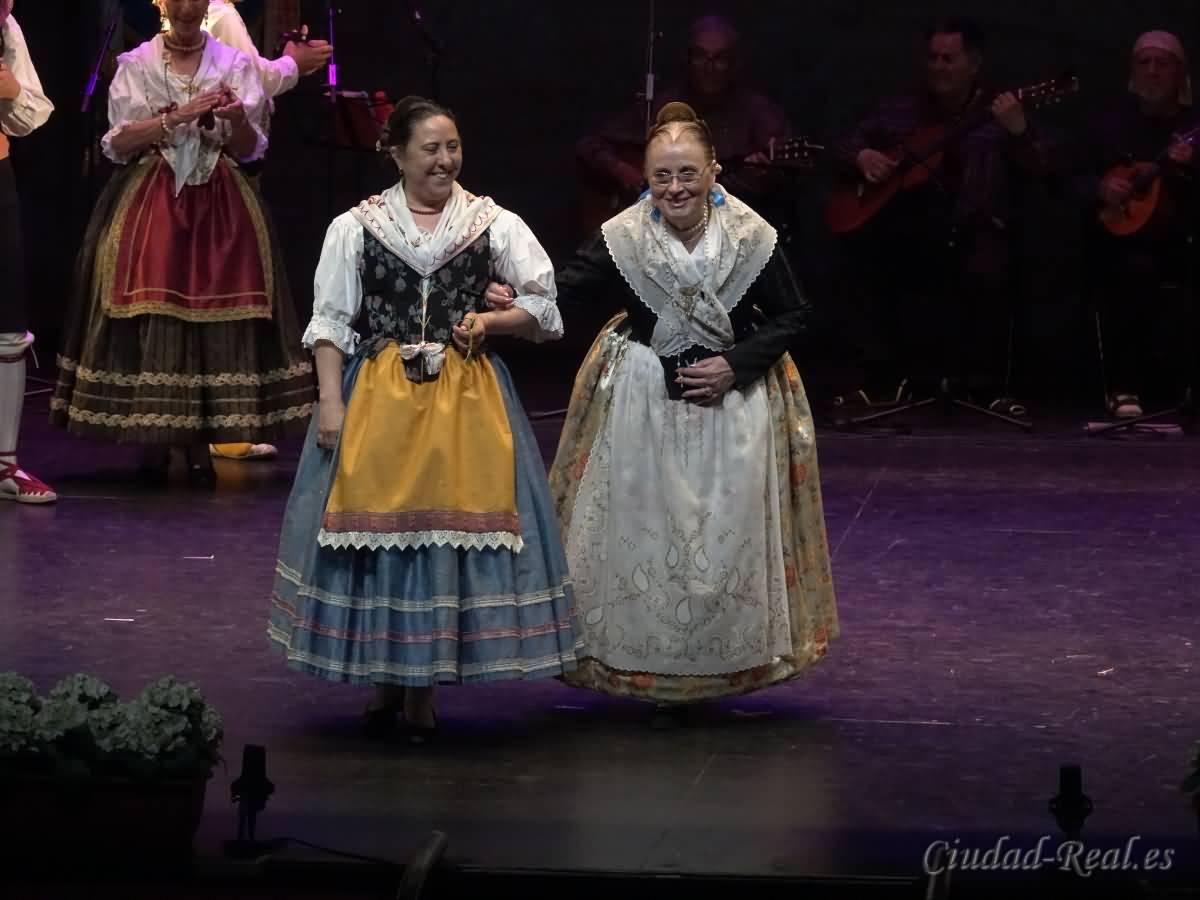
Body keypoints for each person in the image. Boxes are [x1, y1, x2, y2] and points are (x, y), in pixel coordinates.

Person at [490, 102, 838, 721]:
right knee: (645, 532)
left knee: (722, 536)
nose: (675, 188)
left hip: (733, 404)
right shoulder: (625, 235)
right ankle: (641, 663)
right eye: (661, 176)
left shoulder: (750, 236)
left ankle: (723, 662)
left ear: (713, 171)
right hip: (643, 399)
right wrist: (514, 299)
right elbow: (566, 290)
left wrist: (736, 364)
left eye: (687, 174)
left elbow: (795, 313)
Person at [267, 96, 581, 741]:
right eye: (431, 149)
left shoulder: (490, 222)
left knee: (445, 536)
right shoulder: (358, 226)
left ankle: (422, 690)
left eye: (453, 147)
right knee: (383, 534)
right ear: (397, 154)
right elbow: (330, 321)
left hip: (465, 396)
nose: (445, 160)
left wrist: (492, 320)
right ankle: (387, 679)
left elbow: (543, 307)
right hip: (382, 395)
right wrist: (330, 402)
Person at [49, 0, 314, 486]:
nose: (188, 8)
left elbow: (250, 150)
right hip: (153, 197)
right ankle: (155, 435)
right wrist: (175, 118)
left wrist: (236, 120)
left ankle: (201, 439)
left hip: (220, 201)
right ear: (162, 3)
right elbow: (118, 143)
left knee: (217, 307)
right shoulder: (138, 64)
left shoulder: (233, 63)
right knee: (154, 305)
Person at [830, 18, 1048, 417]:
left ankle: (984, 388)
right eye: (933, 58)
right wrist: (862, 156)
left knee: (989, 265)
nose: (939, 67)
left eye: (949, 58)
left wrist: (1020, 132)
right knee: (865, 259)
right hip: (910, 231)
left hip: (976, 229)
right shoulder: (901, 111)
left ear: (974, 63)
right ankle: (885, 382)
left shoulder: (998, 112)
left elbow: (1044, 169)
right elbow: (841, 143)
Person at [183, 0, 332, 461]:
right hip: (223, 172)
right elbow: (251, 85)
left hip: (204, 170)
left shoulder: (211, 16)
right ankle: (223, 427)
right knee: (228, 292)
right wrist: (293, 63)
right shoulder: (221, 16)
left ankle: (208, 423)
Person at [575, 15, 793, 235]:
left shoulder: (758, 113)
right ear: (688, 60)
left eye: (719, 59)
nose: (709, 67)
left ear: (734, 64)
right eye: (700, 56)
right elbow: (589, 145)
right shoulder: (662, 105)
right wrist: (623, 171)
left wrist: (763, 176)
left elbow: (784, 184)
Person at [1074, 31, 1198, 419]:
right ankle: (1124, 386)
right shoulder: (1108, 125)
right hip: (1120, 245)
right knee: (1131, 269)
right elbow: (1067, 179)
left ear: (1181, 74)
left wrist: (1189, 170)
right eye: (1144, 63)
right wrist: (1101, 188)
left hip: (1182, 242)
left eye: (1163, 64)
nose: (1153, 71)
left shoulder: (1192, 127)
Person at [0, 0, 55, 503]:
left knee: (7, 326)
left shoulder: (7, 26)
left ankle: (4, 465)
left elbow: (31, 109)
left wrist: (12, 91)